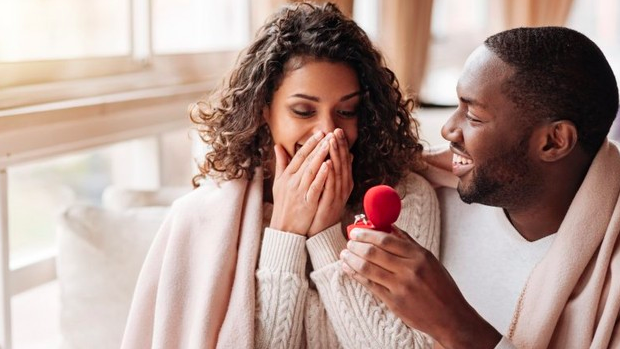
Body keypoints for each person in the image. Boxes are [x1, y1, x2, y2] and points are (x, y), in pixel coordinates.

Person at [121, 2, 440, 348]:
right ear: (263, 111)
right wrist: (284, 235)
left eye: (347, 111)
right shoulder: (203, 219)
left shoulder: (405, 198)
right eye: (303, 111)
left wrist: (326, 235)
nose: (327, 132)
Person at [341, 26, 620, 348]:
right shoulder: (422, 198)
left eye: (473, 116)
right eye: (456, 105)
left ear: (553, 141)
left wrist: (455, 325)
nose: (448, 130)